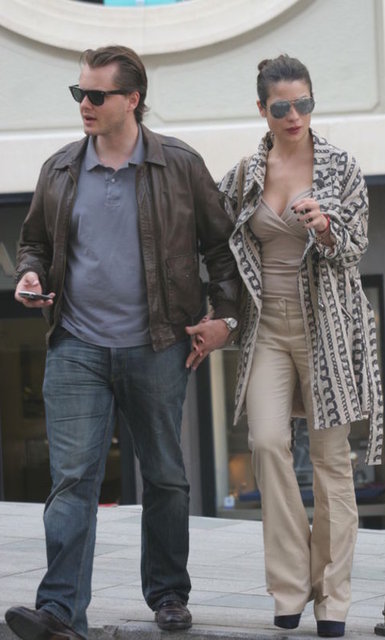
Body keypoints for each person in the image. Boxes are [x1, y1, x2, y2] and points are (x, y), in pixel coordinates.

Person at [5, 45, 239, 640]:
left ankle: (168, 593)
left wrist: (225, 320)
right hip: (76, 345)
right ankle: (60, 609)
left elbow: (222, 249)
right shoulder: (60, 168)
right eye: (78, 93)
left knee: (165, 476)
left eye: (96, 94)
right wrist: (29, 275)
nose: (84, 104)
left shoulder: (179, 165)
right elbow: (34, 244)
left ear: (132, 99)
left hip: (158, 344)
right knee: (72, 479)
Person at [217, 55, 383, 638]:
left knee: (332, 462)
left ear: (313, 103)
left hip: (327, 329)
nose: (294, 116)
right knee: (266, 443)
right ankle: (289, 587)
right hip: (266, 325)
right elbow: (215, 238)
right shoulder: (245, 174)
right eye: (282, 106)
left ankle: (332, 597)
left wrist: (326, 227)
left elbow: (357, 245)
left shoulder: (341, 167)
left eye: (304, 104)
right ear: (262, 109)